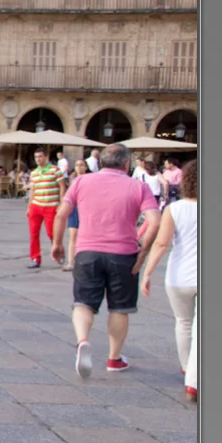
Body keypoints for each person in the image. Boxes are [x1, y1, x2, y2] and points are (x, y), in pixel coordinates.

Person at [51, 144, 160, 379]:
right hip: (124, 254)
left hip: (87, 252)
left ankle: (82, 341)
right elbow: (155, 220)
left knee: (83, 303)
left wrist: (57, 243)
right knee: (119, 308)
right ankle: (114, 358)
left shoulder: (81, 182)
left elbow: (62, 213)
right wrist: (143, 252)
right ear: (126, 164)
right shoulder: (139, 186)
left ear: (100, 162)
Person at [139, 159, 197, 400]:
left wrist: (148, 272)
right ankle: (193, 381)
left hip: (179, 276)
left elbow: (161, 243)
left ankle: (187, 368)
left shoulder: (174, 208)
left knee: (183, 322)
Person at [25, 148, 65, 269]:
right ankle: (35, 258)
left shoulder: (55, 170)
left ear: (46, 157)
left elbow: (62, 186)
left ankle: (58, 253)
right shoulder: (34, 173)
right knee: (33, 233)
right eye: (36, 157)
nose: (38, 159)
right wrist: (29, 207)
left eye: (40, 157)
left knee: (52, 233)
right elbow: (33, 190)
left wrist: (61, 203)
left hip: (51, 206)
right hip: (36, 206)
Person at [61, 160, 90, 271]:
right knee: (73, 235)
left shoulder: (90, 179)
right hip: (74, 209)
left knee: (85, 235)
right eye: (77, 165)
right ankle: (71, 262)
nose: (79, 167)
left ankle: (83, 261)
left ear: (86, 167)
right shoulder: (72, 179)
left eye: (81, 165)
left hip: (86, 209)